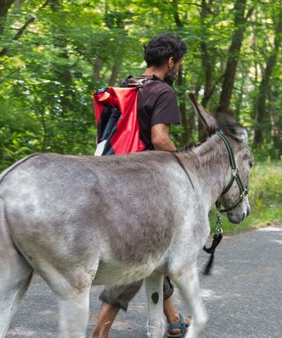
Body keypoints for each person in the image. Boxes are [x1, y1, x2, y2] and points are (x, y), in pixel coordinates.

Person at [92, 33, 190, 338]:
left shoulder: (127, 85)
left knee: (160, 249)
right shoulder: (162, 92)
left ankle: (172, 317)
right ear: (171, 62)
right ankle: (100, 331)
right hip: (139, 186)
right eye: (180, 63)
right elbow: (160, 139)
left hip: (109, 173)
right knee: (142, 257)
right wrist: (184, 161)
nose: (179, 69)